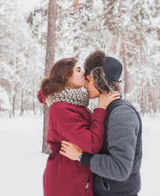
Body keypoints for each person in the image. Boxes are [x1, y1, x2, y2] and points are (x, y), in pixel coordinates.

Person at [60, 51, 142, 196]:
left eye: (89, 80)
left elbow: (120, 168)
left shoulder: (122, 114)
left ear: (100, 81)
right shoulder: (108, 110)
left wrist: (81, 156)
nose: (85, 85)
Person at [37, 57, 120, 196]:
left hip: (76, 175)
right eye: (78, 70)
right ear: (65, 76)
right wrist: (100, 108)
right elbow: (92, 144)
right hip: (66, 180)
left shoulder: (74, 103)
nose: (84, 73)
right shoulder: (61, 109)